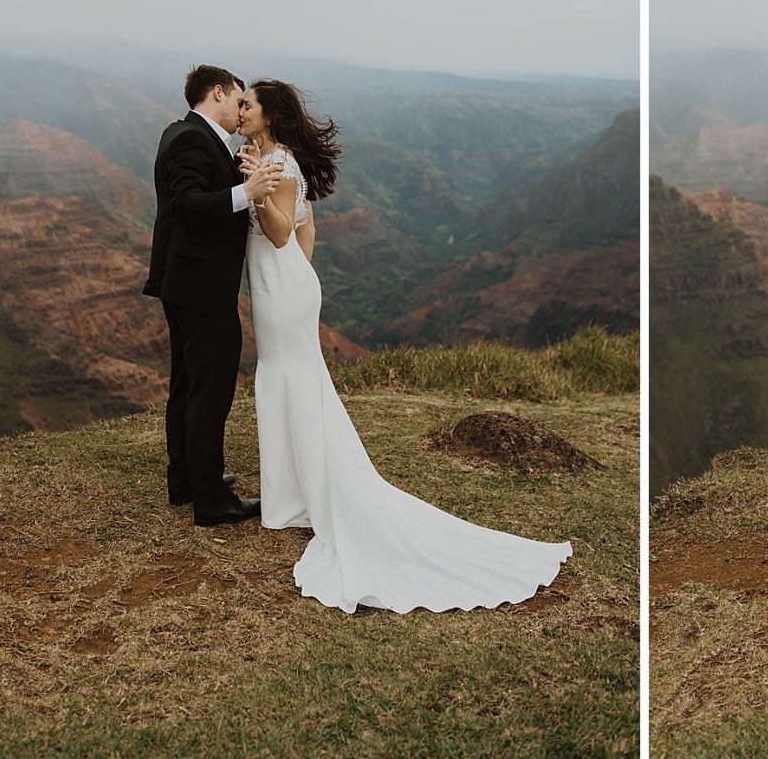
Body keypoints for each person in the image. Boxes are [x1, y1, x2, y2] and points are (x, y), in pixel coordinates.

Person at [238, 78, 572, 613]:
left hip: (282, 289)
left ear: (270, 114)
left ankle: (293, 501)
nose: (241, 110)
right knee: (289, 377)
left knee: (287, 377)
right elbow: (308, 230)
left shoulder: (274, 164)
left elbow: (281, 231)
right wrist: (298, 270)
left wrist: (257, 190)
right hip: (287, 284)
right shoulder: (275, 157)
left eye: (248, 104)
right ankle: (292, 497)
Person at [143, 65, 282, 527]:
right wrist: (246, 192)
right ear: (217, 93)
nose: (241, 109)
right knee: (210, 389)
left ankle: (187, 478)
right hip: (200, 286)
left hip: (185, 282)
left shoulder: (183, 133)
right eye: (238, 99)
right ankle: (210, 501)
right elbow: (184, 204)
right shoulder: (190, 139)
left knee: (186, 384)